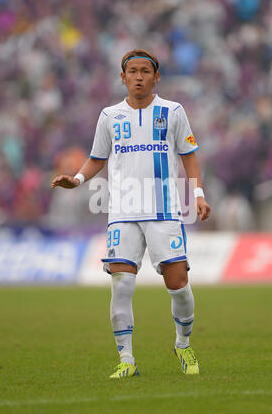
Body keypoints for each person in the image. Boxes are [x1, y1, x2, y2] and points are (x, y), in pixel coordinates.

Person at [51, 49, 211, 378]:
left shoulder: (173, 111)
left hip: (164, 211)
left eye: (145, 71)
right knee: (121, 284)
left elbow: (189, 155)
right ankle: (126, 359)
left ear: (156, 77)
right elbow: (98, 157)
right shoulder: (109, 116)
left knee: (178, 284)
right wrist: (78, 179)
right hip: (122, 212)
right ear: (122, 78)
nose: (139, 76)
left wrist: (198, 194)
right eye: (133, 71)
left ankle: (183, 345)